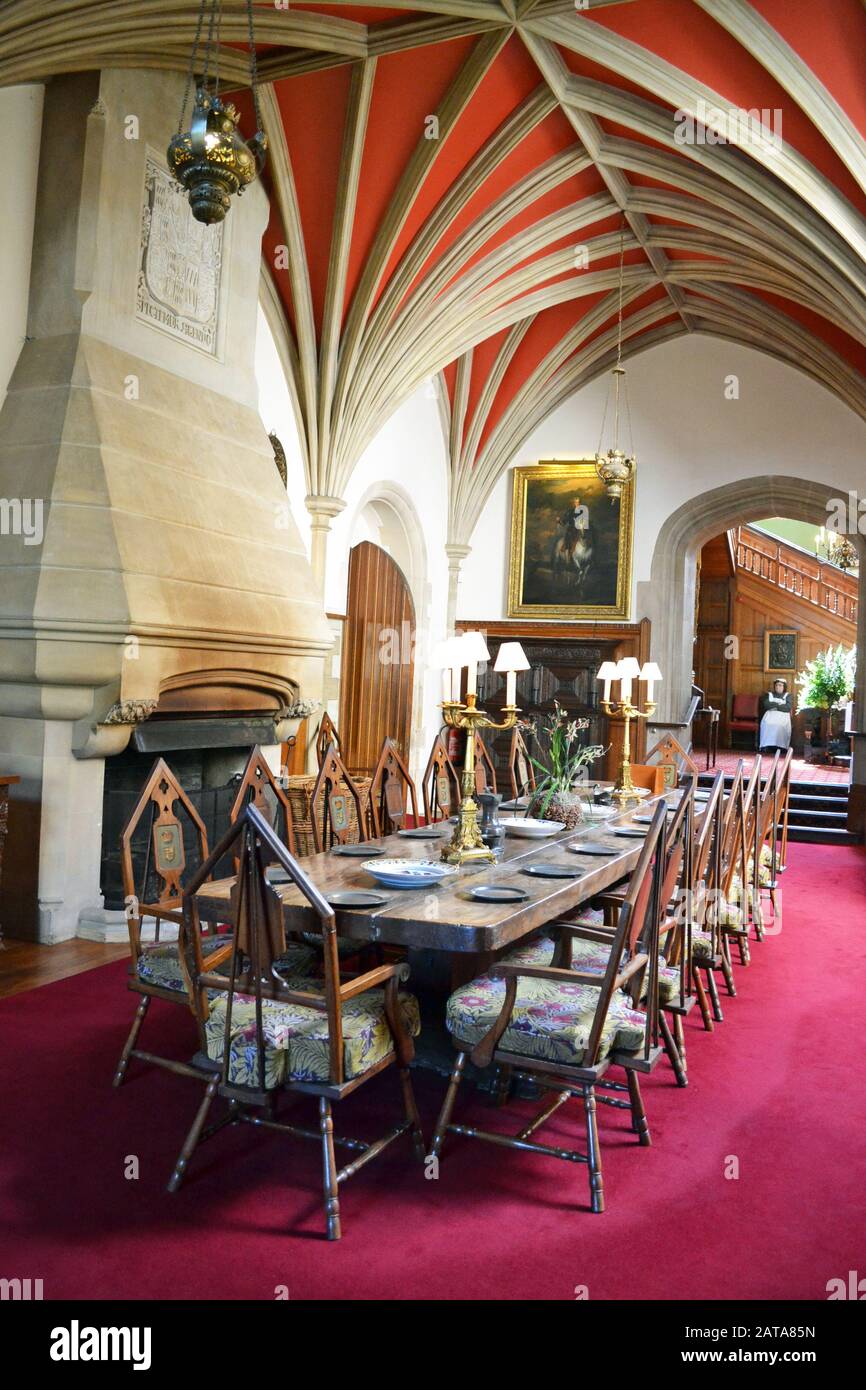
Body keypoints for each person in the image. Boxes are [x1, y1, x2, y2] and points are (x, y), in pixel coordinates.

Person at [759, 678, 792, 752]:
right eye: (776, 685)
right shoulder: (769, 694)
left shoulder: (788, 695)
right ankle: (766, 745)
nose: (778, 687)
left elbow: (788, 708)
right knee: (767, 724)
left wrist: (775, 706)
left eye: (780, 685)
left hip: (783, 717)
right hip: (770, 715)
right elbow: (766, 705)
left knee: (780, 725)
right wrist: (780, 705)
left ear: (784, 687)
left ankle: (781, 747)